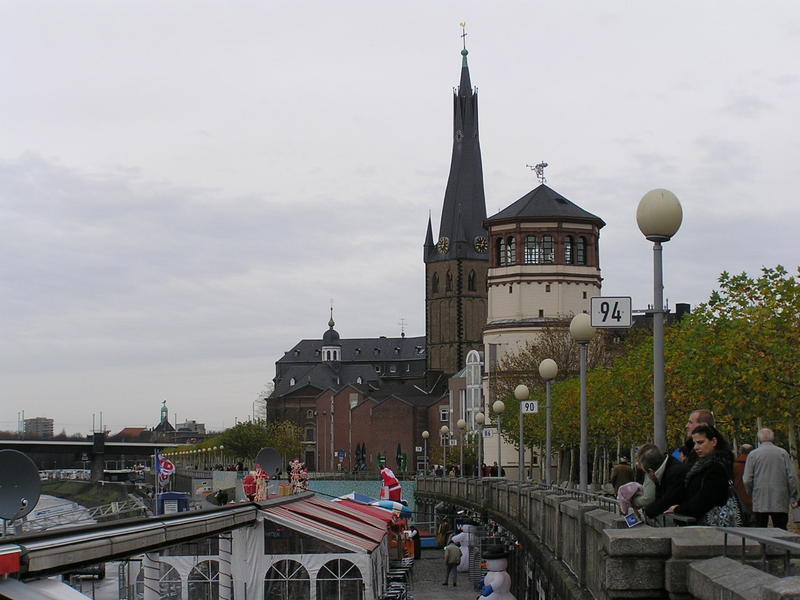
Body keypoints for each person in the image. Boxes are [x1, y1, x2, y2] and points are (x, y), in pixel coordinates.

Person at [666, 425, 732, 523]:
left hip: (711, 525)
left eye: (700, 442)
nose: (696, 447)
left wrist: (678, 509)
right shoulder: (709, 464)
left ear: (713, 441)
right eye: (695, 443)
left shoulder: (716, 468)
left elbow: (704, 500)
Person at [743, 428, 799, 530]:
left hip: (760, 498)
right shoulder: (783, 453)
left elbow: (747, 479)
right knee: (781, 529)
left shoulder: (753, 455)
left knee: (761, 530)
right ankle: (780, 546)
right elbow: (791, 477)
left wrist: (751, 493)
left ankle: (762, 546)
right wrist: (793, 496)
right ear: (773, 439)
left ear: (759, 440)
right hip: (780, 497)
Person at [638, 445, 689, 518]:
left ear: (651, 471)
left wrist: (648, 512)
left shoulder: (676, 472)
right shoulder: (670, 467)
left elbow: (668, 500)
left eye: (646, 473)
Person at [732, 443, 754, 524]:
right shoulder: (755, 465)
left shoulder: (734, 466)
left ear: (741, 451)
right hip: (754, 500)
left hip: (739, 500)